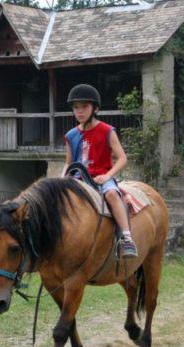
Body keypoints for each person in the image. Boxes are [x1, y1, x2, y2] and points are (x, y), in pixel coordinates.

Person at [62, 84, 138, 258]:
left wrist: (107, 176)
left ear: (95, 108)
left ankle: (127, 239)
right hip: (77, 179)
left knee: (111, 194)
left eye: (84, 107)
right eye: (76, 107)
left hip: (100, 177)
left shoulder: (106, 131)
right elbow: (68, 163)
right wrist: (62, 178)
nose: (79, 111)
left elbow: (122, 158)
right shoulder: (70, 135)